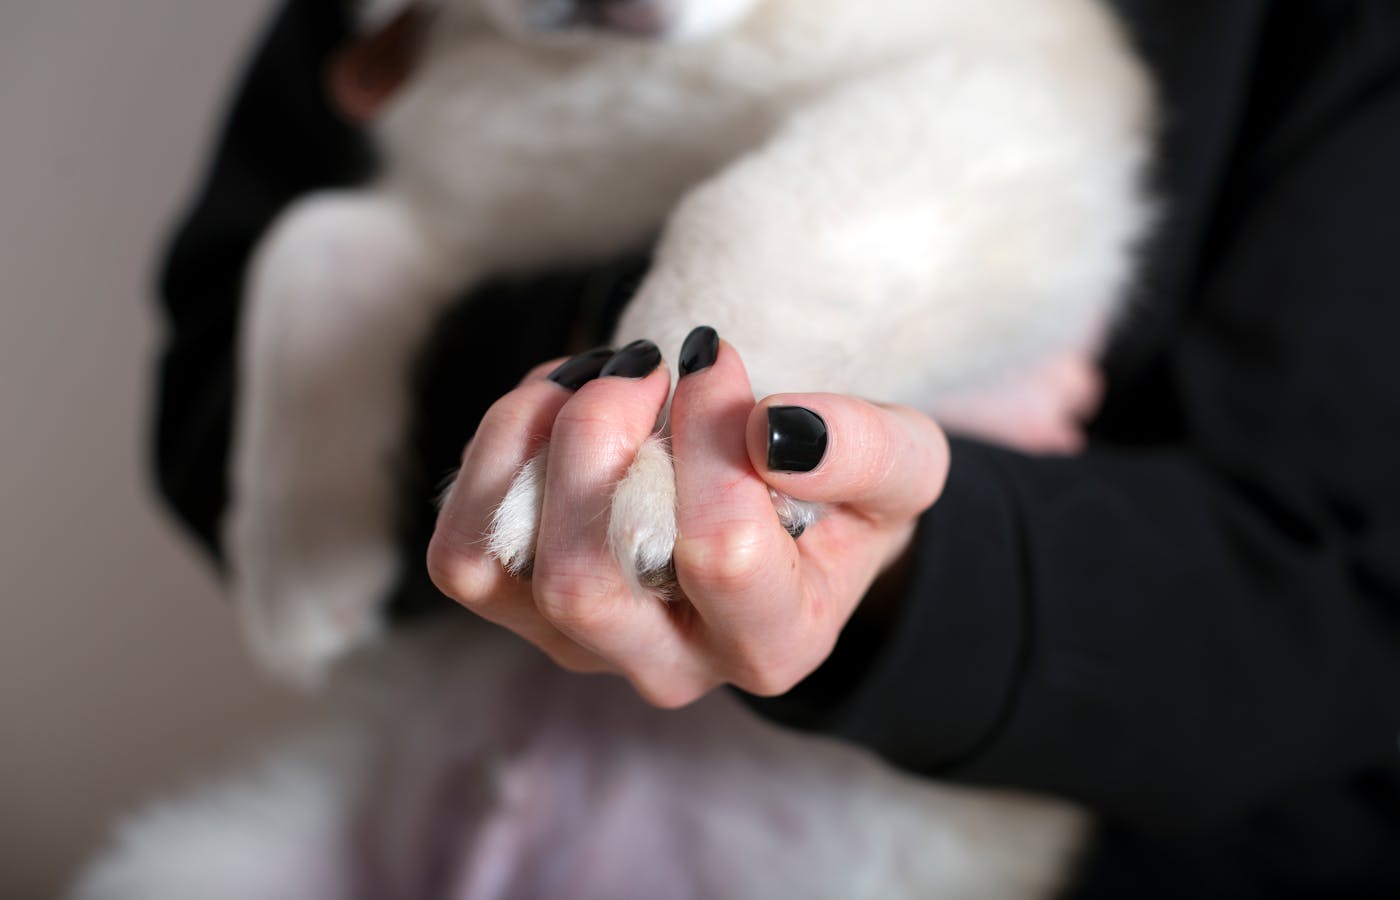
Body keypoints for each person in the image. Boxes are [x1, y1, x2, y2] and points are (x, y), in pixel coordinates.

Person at [154, 1, 1400, 895]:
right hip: (423, 771)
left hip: (915, 830)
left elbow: (1338, 596)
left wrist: (901, 562)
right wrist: (570, 344)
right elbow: (206, 414)